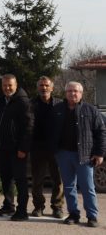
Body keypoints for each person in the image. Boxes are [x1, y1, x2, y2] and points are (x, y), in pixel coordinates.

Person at [52, 81, 106, 228]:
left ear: (81, 93)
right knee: (69, 187)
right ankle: (74, 214)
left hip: (84, 155)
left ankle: (92, 216)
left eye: (75, 91)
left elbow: (101, 132)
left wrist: (99, 153)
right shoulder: (57, 109)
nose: (72, 93)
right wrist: (54, 150)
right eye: (69, 91)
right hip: (63, 154)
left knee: (87, 187)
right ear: (65, 93)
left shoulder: (90, 110)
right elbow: (51, 131)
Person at [0, 74, 33, 221]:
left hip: (18, 149)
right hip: (3, 148)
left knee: (20, 180)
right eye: (4, 85)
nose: (7, 88)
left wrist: (23, 148)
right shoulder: (2, 101)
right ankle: (9, 205)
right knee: (6, 179)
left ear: (16, 85)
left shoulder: (23, 102)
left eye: (10, 85)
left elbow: (29, 127)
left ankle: (22, 211)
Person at [29, 75, 64, 218]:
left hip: (56, 148)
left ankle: (57, 207)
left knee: (58, 179)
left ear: (52, 87)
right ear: (37, 88)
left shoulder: (60, 104)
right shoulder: (31, 104)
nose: (44, 88)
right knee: (37, 180)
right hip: (37, 147)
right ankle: (38, 207)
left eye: (46, 85)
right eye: (41, 85)